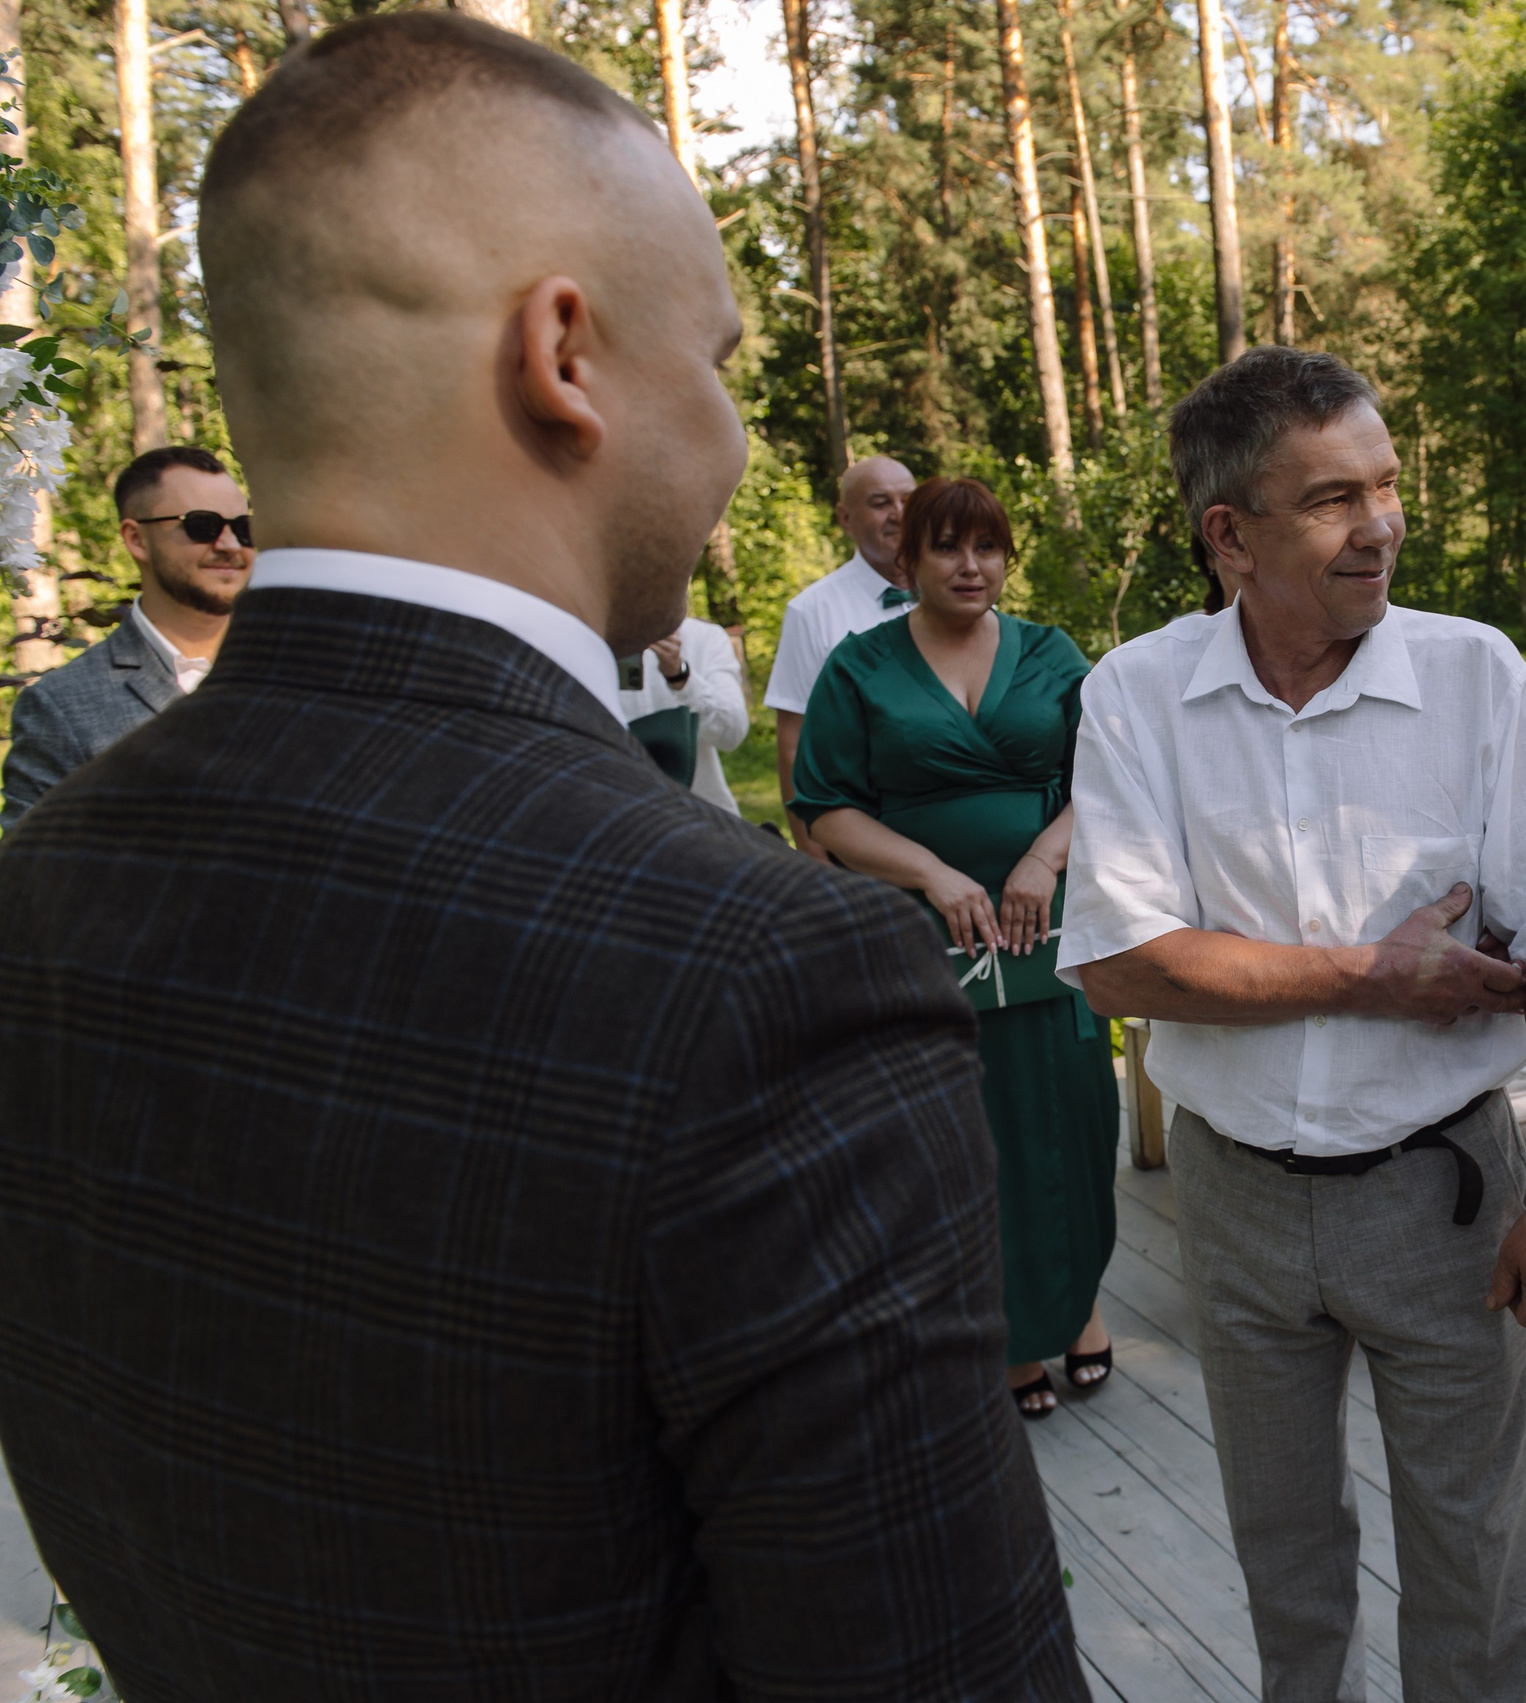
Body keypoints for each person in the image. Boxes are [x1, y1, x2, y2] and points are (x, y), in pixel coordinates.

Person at [0, 18, 1081, 1697]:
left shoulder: (38, 889)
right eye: (715, 360)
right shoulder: (766, 974)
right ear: (564, 355)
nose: (731, 435)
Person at [1059, 347, 1526, 1700]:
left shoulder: (1478, 675)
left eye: (1386, 483)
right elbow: (1124, 965)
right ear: (1229, 536)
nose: (1380, 523)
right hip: (1232, 1197)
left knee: (1470, 1550)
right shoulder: (1136, 693)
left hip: (1445, 1194)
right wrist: (1372, 975)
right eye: (1331, 498)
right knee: (1284, 1552)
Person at [793, 476, 1119, 1420]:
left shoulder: (1052, 654)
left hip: (1047, 930)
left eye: (988, 547)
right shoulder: (859, 666)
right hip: (925, 941)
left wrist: (1043, 858)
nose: (971, 566)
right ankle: (1006, 1333)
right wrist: (934, 874)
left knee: (1071, 1118)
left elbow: (1111, 777)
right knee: (968, 1134)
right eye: (946, 547)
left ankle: (1081, 1304)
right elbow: (826, 807)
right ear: (906, 561)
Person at [1, 446, 253, 830]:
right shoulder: (62, 709)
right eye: (202, 526)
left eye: (243, 527)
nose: (230, 545)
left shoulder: (305, 670)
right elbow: (33, 865)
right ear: (137, 539)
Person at [766, 453, 918, 854]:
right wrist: (813, 856)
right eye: (880, 503)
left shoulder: (966, 594)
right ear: (845, 518)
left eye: (908, 500)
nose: (899, 514)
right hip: (861, 833)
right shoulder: (812, 611)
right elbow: (793, 744)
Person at [615, 610, 750, 812]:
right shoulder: (586, 638)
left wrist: (681, 676)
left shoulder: (705, 637)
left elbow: (731, 734)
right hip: (620, 815)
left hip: (701, 814)